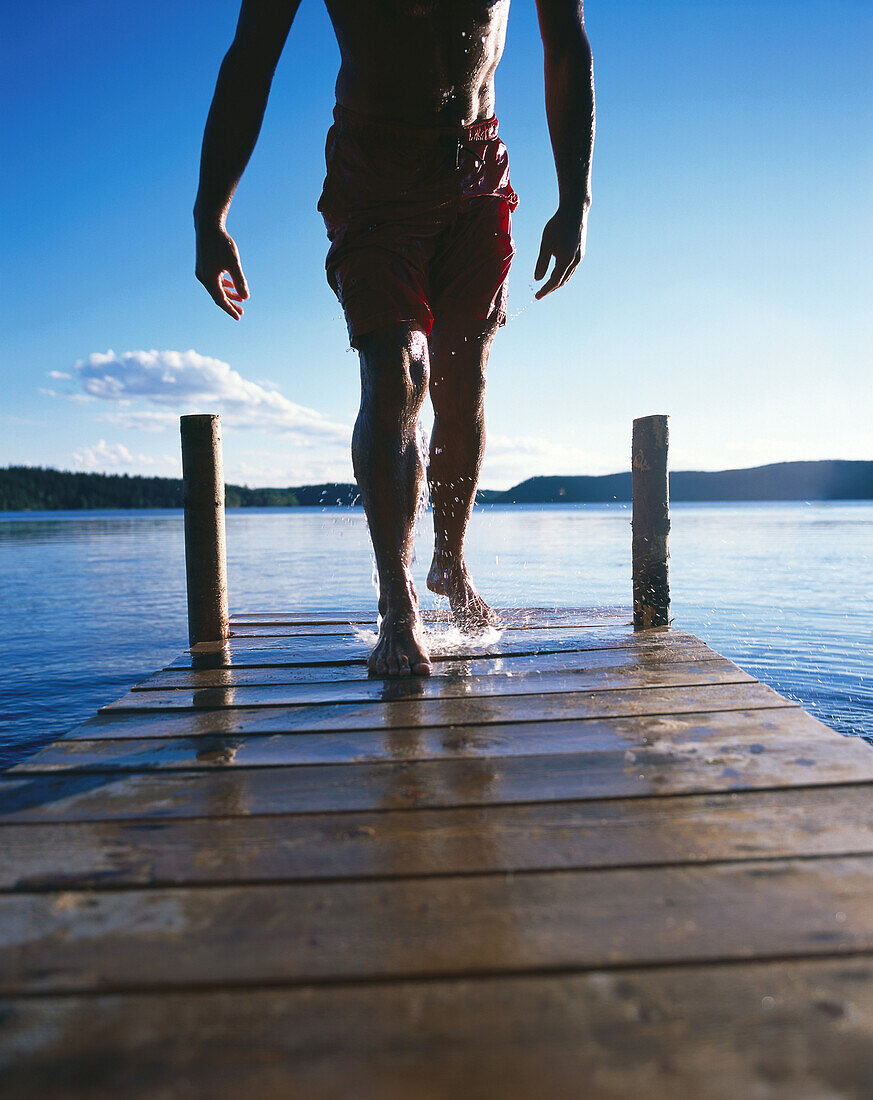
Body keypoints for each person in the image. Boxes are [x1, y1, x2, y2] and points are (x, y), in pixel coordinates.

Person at [194, 0, 595, 677]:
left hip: (476, 164)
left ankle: (449, 562)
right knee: (397, 368)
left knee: (464, 377)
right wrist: (211, 212)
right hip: (374, 168)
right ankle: (397, 598)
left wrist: (574, 198)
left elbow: (566, 44)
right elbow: (250, 59)